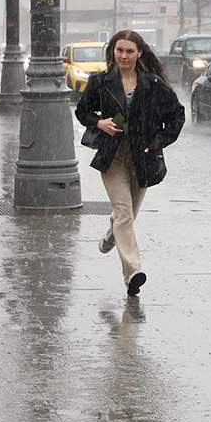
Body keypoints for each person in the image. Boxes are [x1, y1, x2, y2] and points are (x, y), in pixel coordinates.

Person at [75, 30, 185, 297]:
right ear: (113, 51)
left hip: (143, 157)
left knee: (128, 216)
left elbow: (177, 117)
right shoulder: (100, 82)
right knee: (124, 212)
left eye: (129, 51)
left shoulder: (153, 84)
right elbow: (82, 111)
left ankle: (111, 237)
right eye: (119, 50)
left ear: (139, 54)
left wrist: (156, 142)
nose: (124, 56)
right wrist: (99, 122)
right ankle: (133, 272)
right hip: (112, 156)